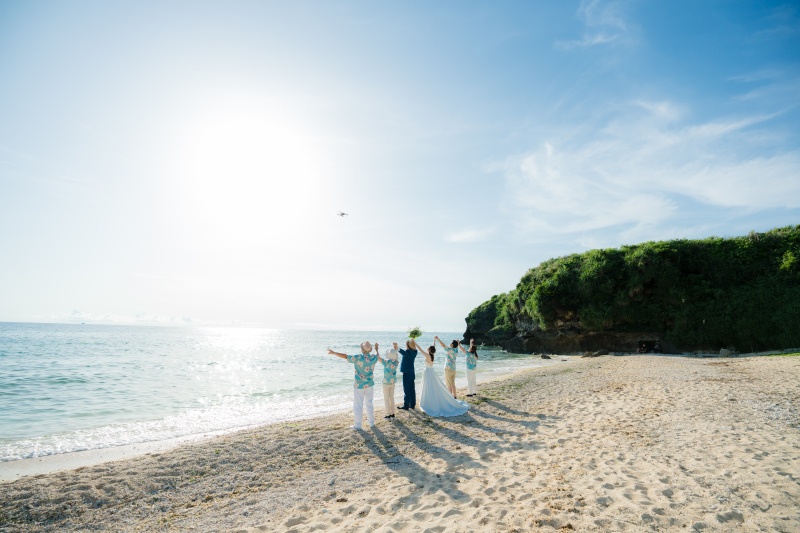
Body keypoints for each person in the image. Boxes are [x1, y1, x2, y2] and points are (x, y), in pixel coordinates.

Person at [327, 341, 377, 430]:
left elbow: (345, 356)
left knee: (358, 405)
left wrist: (334, 353)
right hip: (370, 384)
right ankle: (371, 423)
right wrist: (377, 349)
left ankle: (358, 425)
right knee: (369, 404)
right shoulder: (374, 357)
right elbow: (377, 356)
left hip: (359, 385)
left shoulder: (358, 357)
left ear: (361, 349)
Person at [416, 343, 469, 417]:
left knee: (428, 386)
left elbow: (420, 349)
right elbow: (433, 348)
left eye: (428, 347)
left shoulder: (428, 355)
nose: (427, 348)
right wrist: (434, 341)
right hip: (430, 372)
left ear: (429, 350)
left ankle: (428, 401)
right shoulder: (432, 355)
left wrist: (415, 343)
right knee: (431, 386)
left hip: (428, 372)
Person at [377, 346, 399, 419]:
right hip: (392, 383)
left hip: (386, 383)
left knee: (386, 399)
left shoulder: (386, 362)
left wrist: (377, 349)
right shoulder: (396, 362)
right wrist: (395, 349)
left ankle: (387, 414)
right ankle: (392, 414)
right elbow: (396, 356)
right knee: (391, 398)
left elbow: (378, 357)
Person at [396, 340, 418, 410]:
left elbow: (404, 353)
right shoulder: (415, 352)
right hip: (411, 372)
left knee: (407, 390)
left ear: (408, 346)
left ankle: (406, 405)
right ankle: (412, 404)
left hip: (407, 373)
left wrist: (397, 348)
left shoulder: (408, 352)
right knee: (412, 389)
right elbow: (405, 352)